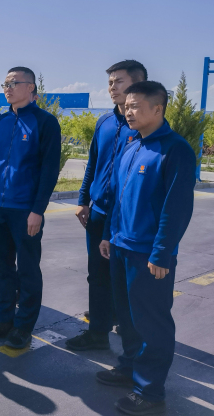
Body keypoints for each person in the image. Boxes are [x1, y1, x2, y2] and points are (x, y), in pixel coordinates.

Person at [97, 81, 196, 415]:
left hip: (148, 254)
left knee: (151, 323)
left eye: (136, 106)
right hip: (121, 246)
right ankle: (129, 368)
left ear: (158, 108)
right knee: (126, 318)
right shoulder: (132, 145)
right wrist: (109, 234)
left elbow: (176, 207)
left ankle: (150, 390)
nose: (128, 112)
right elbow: (117, 197)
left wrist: (162, 252)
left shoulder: (175, 149)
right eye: (126, 106)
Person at [65, 60, 146, 351]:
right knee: (97, 274)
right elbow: (93, 164)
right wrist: (83, 200)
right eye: (110, 82)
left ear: (137, 84)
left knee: (126, 278)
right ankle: (98, 332)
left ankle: (130, 330)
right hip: (98, 213)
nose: (112, 87)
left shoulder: (145, 126)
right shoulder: (104, 122)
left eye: (119, 81)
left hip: (127, 220)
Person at [0, 67, 61, 349]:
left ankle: (23, 326)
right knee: (0, 268)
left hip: (25, 210)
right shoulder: (0, 121)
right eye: (5, 84)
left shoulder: (45, 122)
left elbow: (49, 170)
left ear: (31, 87)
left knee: (27, 270)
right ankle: (3, 319)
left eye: (14, 83)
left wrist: (38, 210)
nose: (8, 88)